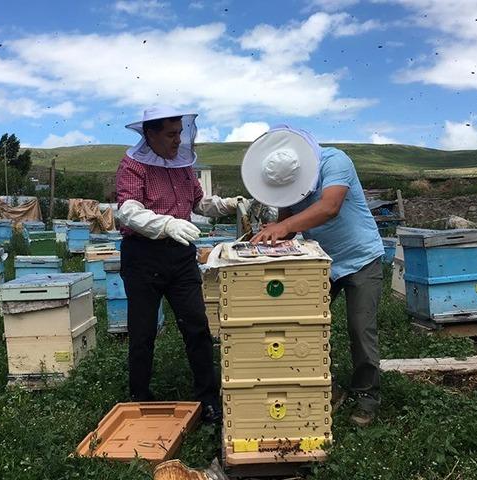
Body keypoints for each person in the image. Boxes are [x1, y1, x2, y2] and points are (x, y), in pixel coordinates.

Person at [242, 125, 385, 426]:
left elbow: (330, 207)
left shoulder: (335, 161)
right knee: (303, 326)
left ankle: (366, 395)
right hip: (321, 261)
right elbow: (287, 224)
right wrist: (270, 241)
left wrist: (282, 227)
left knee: (361, 329)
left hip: (361, 258)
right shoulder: (285, 178)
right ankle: (324, 386)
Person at [114, 106, 241, 422]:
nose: (177, 139)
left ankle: (208, 398)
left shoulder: (183, 165)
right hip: (142, 256)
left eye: (179, 132)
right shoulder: (132, 166)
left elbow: (199, 203)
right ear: (150, 133)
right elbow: (127, 211)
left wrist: (227, 204)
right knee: (142, 332)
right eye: (170, 134)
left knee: (197, 326)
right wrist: (166, 224)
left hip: (181, 256)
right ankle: (139, 398)